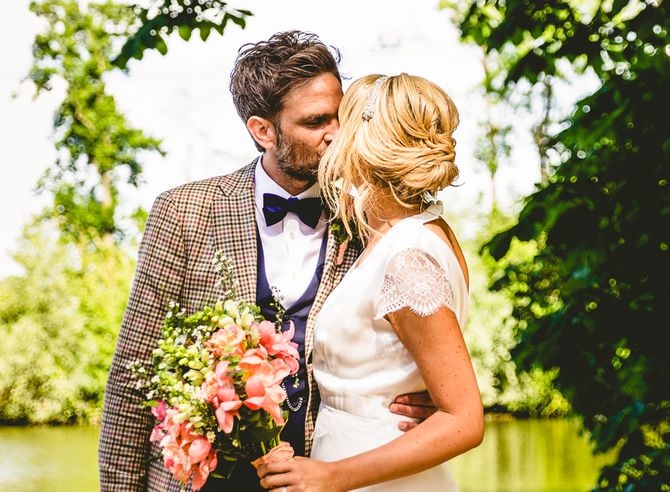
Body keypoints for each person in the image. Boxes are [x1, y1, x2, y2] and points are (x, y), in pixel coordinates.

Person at [98, 33, 433, 492]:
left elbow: (421, 346)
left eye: (341, 116)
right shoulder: (185, 213)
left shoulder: (370, 219)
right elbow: (132, 375)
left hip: (326, 474)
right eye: (315, 121)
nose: (335, 132)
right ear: (263, 130)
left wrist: (427, 402)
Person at [257, 73, 484, 492]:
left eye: (339, 121)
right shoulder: (401, 234)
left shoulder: (408, 257)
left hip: (374, 476)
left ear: (364, 138)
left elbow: (465, 420)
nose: (329, 136)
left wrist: (330, 476)